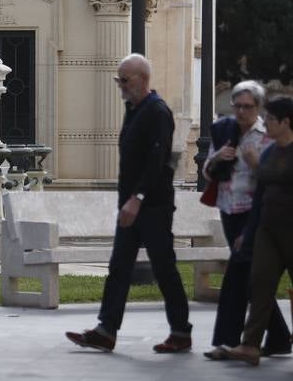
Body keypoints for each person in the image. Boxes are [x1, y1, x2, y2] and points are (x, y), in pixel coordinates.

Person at [65, 53, 191, 354]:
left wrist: (138, 199)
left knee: (164, 269)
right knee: (119, 266)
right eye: (118, 79)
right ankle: (106, 330)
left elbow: (157, 162)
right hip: (131, 206)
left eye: (125, 79)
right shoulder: (133, 109)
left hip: (153, 206)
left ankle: (181, 332)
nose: (120, 85)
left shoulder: (157, 112)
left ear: (142, 79)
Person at [203, 81, 290, 360]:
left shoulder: (269, 136)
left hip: (258, 213)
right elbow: (207, 172)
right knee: (255, 278)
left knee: (241, 275)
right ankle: (274, 338)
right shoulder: (224, 130)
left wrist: (255, 163)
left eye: (247, 107)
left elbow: (269, 180)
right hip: (232, 211)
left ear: (259, 108)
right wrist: (217, 157)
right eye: (237, 105)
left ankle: (231, 341)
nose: (241, 112)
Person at [227, 96, 293, 366]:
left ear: (286, 121)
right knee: (260, 282)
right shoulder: (269, 152)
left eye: (271, 119)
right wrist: (248, 232)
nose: (265, 122)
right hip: (267, 229)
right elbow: (260, 194)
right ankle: (250, 345)